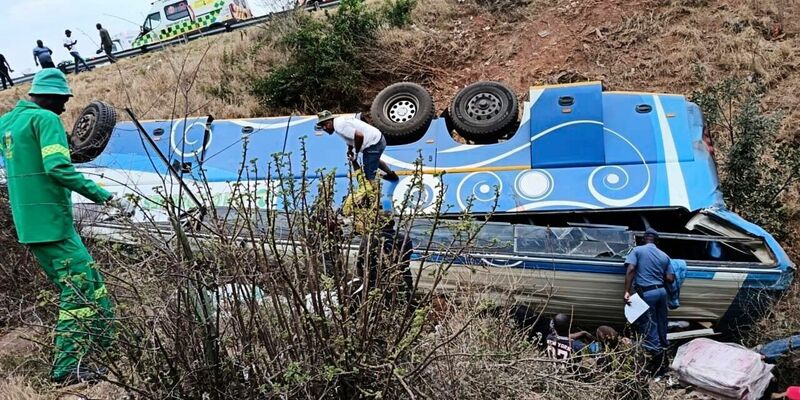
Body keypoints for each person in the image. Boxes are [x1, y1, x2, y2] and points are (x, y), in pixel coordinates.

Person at [0, 69, 133, 385]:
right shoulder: (46, 119)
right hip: (52, 223)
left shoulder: (7, 122)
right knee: (78, 290)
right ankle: (67, 368)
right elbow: (58, 167)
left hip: (32, 224)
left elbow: (32, 159)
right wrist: (104, 196)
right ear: (50, 97)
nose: (64, 109)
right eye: (62, 101)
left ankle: (109, 344)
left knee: (92, 279)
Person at [623, 227, 675, 377]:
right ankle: (665, 354)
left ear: (643, 239)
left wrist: (627, 291)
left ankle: (659, 368)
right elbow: (670, 278)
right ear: (656, 242)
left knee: (649, 326)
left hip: (647, 293)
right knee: (661, 324)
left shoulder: (637, 250)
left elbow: (631, 269)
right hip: (662, 293)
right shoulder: (664, 256)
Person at [316, 110, 398, 182]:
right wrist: (350, 149)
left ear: (328, 123)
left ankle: (373, 193)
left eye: (324, 126)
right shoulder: (338, 122)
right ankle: (391, 175)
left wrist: (355, 153)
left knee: (369, 176)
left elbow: (359, 136)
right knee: (374, 160)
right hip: (378, 138)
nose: (324, 129)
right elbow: (350, 137)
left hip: (374, 144)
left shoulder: (339, 127)